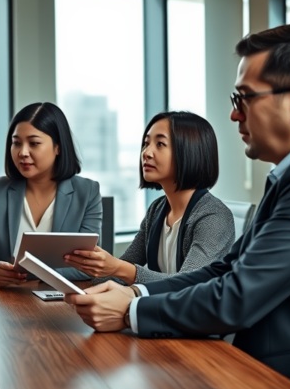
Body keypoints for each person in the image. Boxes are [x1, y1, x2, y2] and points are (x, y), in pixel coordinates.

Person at [65, 22, 290, 381]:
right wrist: (137, 291)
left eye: (244, 98)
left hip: (276, 384)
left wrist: (131, 310)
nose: (234, 114)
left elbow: (236, 298)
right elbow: (224, 269)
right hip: (254, 366)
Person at [63, 111, 234, 285]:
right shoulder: (157, 209)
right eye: (146, 143)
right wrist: (87, 272)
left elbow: (187, 284)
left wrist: (118, 269)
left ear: (190, 151)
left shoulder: (214, 217)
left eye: (160, 144)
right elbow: (124, 266)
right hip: (160, 309)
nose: (146, 153)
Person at [0, 102, 102, 286]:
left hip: (63, 304)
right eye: (16, 143)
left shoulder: (87, 192)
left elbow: (89, 264)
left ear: (58, 147)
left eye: (34, 143)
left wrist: (32, 273)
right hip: (10, 302)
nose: (22, 152)